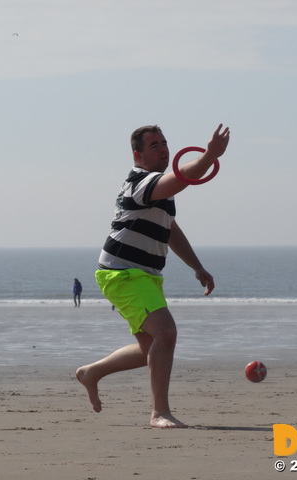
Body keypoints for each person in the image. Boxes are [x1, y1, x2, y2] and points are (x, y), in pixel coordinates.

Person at [76, 123, 230, 428]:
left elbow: (169, 228)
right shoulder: (140, 182)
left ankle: (92, 372)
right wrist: (208, 157)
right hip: (123, 273)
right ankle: (159, 412)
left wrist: (197, 266)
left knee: (151, 348)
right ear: (138, 155)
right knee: (166, 332)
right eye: (154, 145)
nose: (163, 149)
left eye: (164, 143)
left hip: (144, 275)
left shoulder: (159, 188)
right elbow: (182, 178)